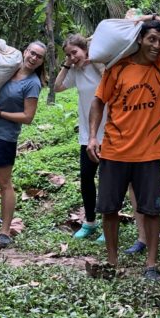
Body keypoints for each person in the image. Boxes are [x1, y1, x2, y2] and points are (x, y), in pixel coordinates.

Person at [88, 15, 160, 281]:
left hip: (149, 153)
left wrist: (154, 18)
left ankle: (151, 265)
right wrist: (92, 137)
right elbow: (98, 101)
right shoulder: (117, 68)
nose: (156, 45)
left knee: (151, 210)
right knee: (109, 209)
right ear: (140, 39)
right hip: (114, 150)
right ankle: (112, 261)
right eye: (151, 39)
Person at [0, 41, 47, 248]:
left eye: (39, 56)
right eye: (32, 53)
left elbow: (28, 117)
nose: (33, 58)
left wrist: (0, 113)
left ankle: (5, 231)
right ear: (25, 52)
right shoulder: (7, 67)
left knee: (4, 183)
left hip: (4, 136)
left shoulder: (32, 83)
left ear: (42, 62)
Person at [53, 34, 106, 239]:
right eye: (68, 54)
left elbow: (111, 81)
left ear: (85, 49)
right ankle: (90, 222)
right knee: (86, 178)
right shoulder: (76, 71)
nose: (73, 57)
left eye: (74, 52)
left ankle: (108, 224)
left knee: (107, 180)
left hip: (108, 132)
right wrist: (67, 64)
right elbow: (57, 87)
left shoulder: (100, 66)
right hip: (88, 135)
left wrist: (96, 60)